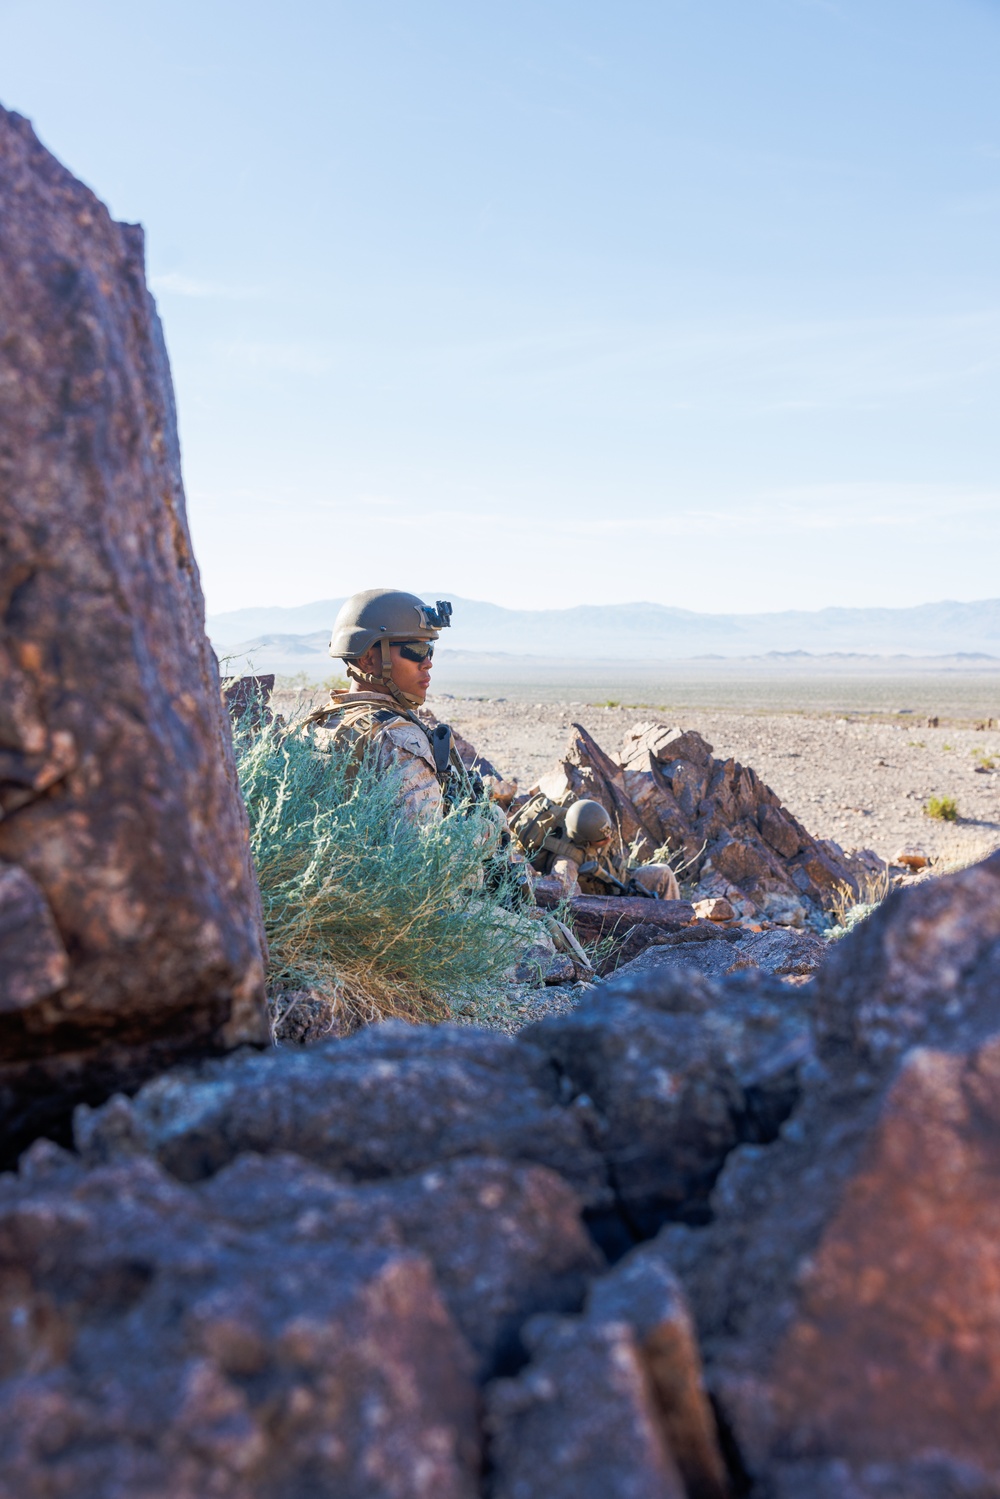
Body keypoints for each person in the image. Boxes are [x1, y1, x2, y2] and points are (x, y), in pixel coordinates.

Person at [523, 796, 681, 902]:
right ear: (585, 840)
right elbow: (562, 893)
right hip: (604, 902)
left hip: (623, 881)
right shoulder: (567, 861)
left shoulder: (594, 823)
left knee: (663, 872)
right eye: (603, 840)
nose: (610, 839)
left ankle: (678, 925)